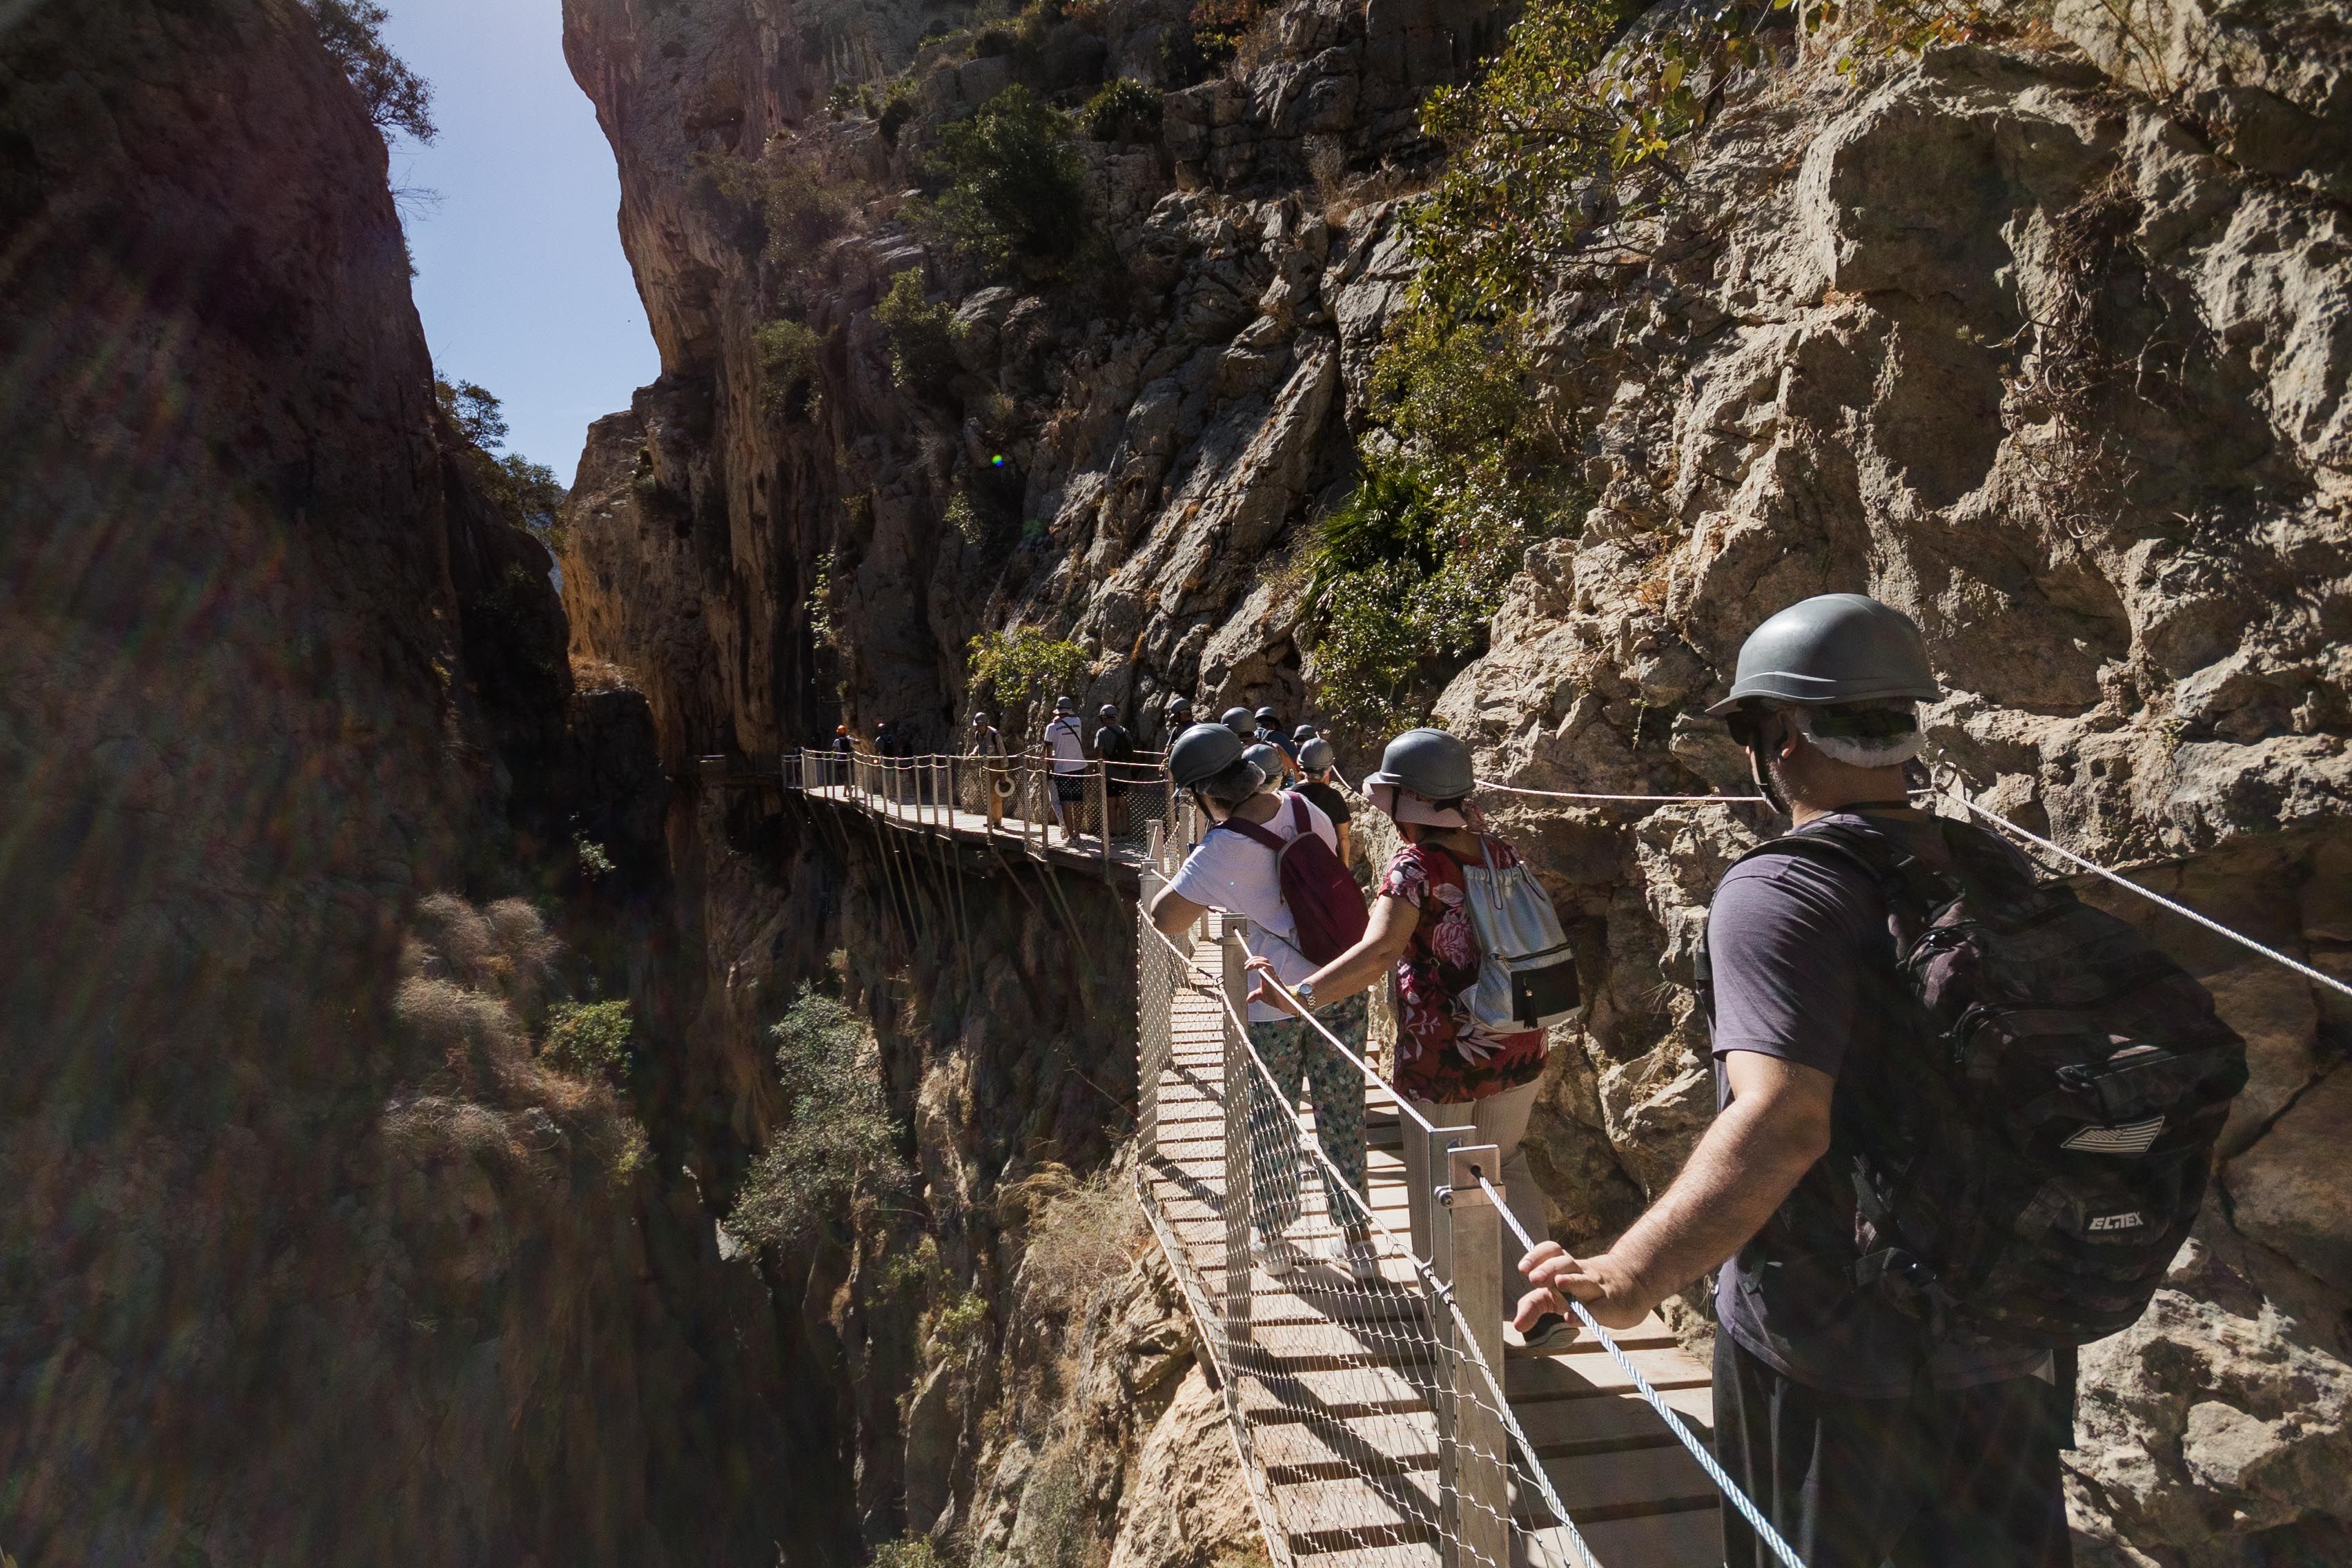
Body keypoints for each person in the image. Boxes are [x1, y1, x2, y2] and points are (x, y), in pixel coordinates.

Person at [1509, 594, 2072, 1568]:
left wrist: (1626, 1277)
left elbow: (1784, 1122)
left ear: (1779, 737)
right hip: (2004, 1335)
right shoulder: (1991, 869)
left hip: (1832, 1359)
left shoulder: (1776, 892)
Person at [1248, 726, 1562, 1344]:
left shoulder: (1414, 867)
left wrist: (1300, 995)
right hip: (1520, 1039)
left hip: (1446, 1052)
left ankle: (1452, 1324)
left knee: (1439, 1180)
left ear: (1405, 802)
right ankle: (1541, 1301)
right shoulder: (1500, 850)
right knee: (1505, 1164)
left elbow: (1379, 953)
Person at [1147, 724, 1378, 1282]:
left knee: (1273, 1112)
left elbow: (1165, 917)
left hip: (1273, 998)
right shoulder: (1305, 808)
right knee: (1341, 1110)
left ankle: (1274, 1236)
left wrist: (1206, 874)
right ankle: (1358, 1240)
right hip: (1342, 980)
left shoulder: (1221, 850)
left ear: (1205, 794)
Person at [1293, 736, 1353, 865]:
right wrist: (1345, 865)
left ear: (1301, 766)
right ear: (1328, 769)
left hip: (1299, 862)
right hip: (1328, 862)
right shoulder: (1335, 797)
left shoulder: (1291, 795)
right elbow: (1343, 837)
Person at [1044, 695, 1088, 844]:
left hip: (1062, 769)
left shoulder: (1051, 727)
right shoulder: (1077, 722)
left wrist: (1053, 769)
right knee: (1077, 801)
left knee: (1065, 803)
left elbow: (1048, 755)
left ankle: (1072, 837)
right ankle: (1078, 833)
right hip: (1079, 766)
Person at [968, 711, 1007, 827]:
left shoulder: (995, 735)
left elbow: (1003, 752)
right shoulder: (977, 735)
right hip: (984, 766)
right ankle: (990, 819)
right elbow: (978, 746)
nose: (978, 728)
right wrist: (974, 753)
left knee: (995, 793)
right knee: (986, 793)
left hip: (995, 765)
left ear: (985, 724)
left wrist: (1003, 773)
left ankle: (997, 821)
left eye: (980, 726)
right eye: (977, 726)